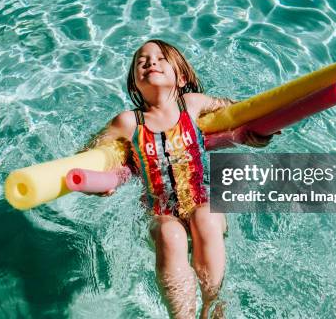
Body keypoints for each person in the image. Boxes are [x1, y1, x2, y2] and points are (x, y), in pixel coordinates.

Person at [82, 39, 275, 319]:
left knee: (206, 216)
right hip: (161, 214)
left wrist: (259, 134)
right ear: (134, 83)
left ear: (181, 77)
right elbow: (90, 155)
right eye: (141, 61)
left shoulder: (192, 105)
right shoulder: (127, 122)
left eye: (160, 58)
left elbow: (238, 113)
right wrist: (95, 184)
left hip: (204, 204)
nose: (150, 62)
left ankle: (213, 306)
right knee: (170, 234)